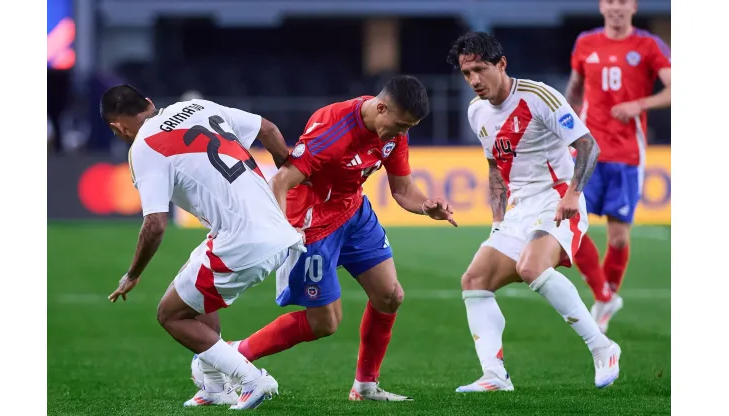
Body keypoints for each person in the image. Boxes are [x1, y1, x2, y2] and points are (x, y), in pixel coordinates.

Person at [222, 75, 457, 401]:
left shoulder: (393, 132)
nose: (403, 134)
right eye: (401, 125)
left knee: (390, 296)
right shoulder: (331, 128)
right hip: (312, 223)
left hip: (354, 214)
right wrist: (282, 232)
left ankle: (365, 386)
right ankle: (231, 356)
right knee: (325, 322)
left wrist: (426, 206)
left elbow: (403, 190)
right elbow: (279, 183)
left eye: (409, 128)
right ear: (381, 107)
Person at [100, 84, 305, 410]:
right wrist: (288, 167)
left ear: (118, 127)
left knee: (171, 315)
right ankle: (214, 387)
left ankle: (252, 379)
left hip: (243, 241)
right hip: (279, 230)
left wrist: (133, 273)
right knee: (192, 288)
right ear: (150, 103)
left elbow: (154, 225)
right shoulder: (199, 106)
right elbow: (267, 128)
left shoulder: (143, 147)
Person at [447, 32, 621, 392]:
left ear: (501, 64)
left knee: (531, 267)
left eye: (480, 69)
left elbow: (588, 145)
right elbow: (495, 168)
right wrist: (497, 222)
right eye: (467, 74)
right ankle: (494, 375)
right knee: (474, 281)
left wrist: (574, 193)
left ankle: (603, 348)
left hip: (557, 200)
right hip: (518, 210)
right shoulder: (476, 112)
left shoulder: (538, 96)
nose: (474, 80)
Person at [565, 0, 671, 333]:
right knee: (570, 224)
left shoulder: (648, 45)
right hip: (588, 151)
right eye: (610, 1)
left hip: (627, 154)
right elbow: (574, 90)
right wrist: (565, 128)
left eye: (622, 2)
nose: (616, 8)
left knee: (620, 237)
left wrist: (639, 103)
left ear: (633, 7)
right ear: (601, 6)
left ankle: (606, 297)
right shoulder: (586, 42)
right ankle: (604, 295)